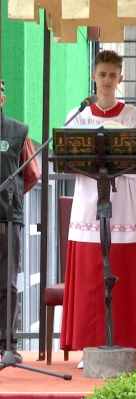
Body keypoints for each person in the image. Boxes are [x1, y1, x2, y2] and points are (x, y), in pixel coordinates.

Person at [60, 50, 136, 364]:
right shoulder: (79, 114)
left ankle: (125, 344)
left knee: (122, 272)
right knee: (91, 275)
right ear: (94, 76)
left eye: (113, 75)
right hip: (90, 200)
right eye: (102, 74)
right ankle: (90, 347)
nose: (107, 81)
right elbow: (67, 158)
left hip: (124, 202)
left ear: (120, 78)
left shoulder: (133, 115)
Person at [0, 79, 40, 363]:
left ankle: (7, 344)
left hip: (6, 218)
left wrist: (12, 196)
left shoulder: (17, 131)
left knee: (6, 283)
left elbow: (31, 174)